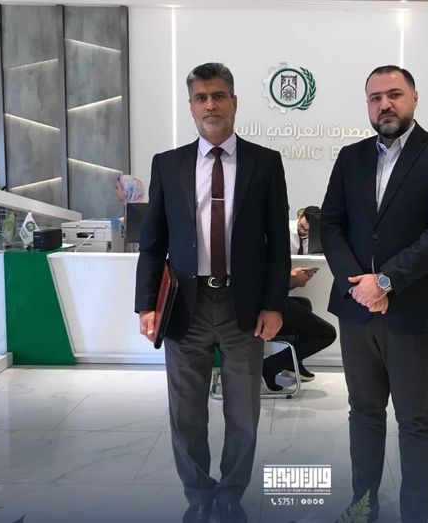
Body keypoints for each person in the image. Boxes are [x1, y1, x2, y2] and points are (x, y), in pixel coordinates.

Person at [135, 63, 290, 523]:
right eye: (201, 98)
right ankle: (199, 496)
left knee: (243, 414)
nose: (210, 105)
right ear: (191, 107)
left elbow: (278, 244)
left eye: (219, 96)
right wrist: (146, 305)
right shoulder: (168, 164)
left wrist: (274, 304)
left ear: (234, 102)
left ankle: (231, 495)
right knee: (186, 414)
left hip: (244, 306)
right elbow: (152, 242)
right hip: (186, 306)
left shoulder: (265, 162)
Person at [321, 65, 428, 523]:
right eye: (374, 98)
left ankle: (414, 514)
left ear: (414, 98)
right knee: (364, 413)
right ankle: (362, 507)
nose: (384, 104)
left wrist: (385, 281)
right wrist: (359, 285)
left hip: (415, 312)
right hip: (357, 312)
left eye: (394, 94)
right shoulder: (350, 157)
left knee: (415, 419)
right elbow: (331, 225)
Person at [261, 264, 337, 391]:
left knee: (304, 304)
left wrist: (293, 278)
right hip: (263, 306)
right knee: (327, 333)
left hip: (262, 299)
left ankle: (291, 363)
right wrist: (291, 278)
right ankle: (269, 366)